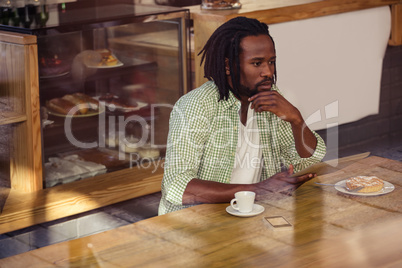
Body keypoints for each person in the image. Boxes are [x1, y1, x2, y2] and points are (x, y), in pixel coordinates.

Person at [158, 17, 326, 215]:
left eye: (271, 62)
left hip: (252, 211)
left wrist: (297, 120)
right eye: (257, 63)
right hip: (198, 219)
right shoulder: (197, 105)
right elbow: (177, 186)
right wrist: (260, 189)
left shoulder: (270, 99)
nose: (268, 72)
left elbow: (307, 162)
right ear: (228, 66)